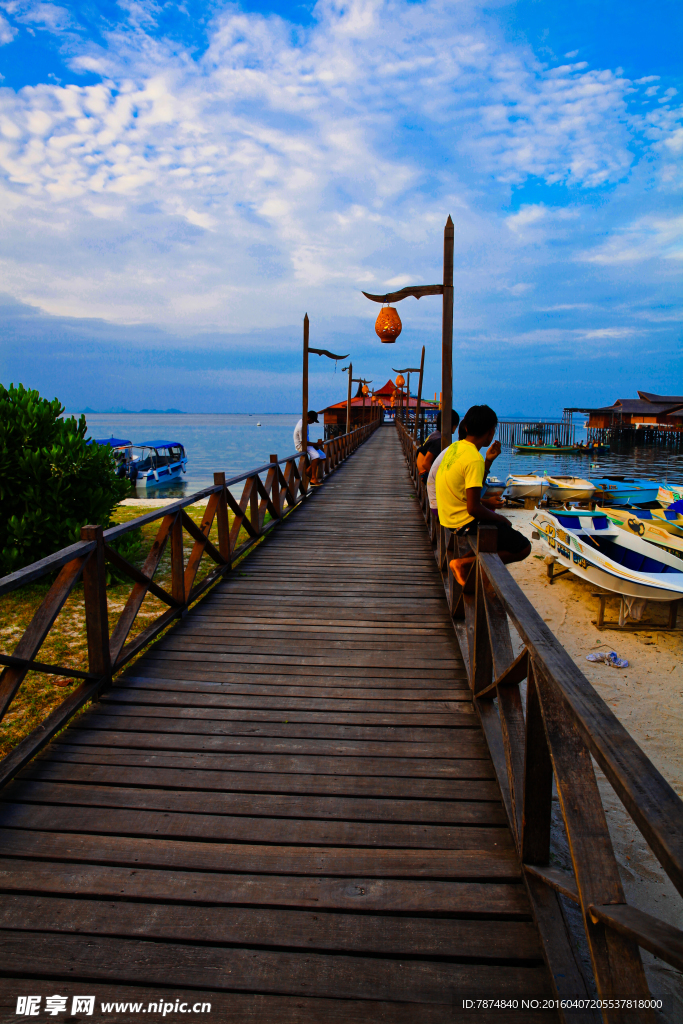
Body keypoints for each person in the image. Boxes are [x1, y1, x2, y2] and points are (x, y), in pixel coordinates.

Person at [435, 404, 530, 591]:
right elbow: (474, 508)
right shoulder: (473, 458)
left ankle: (467, 563)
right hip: (462, 520)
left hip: (447, 517)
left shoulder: (456, 448)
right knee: (523, 547)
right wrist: (500, 518)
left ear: (466, 427)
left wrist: (488, 461)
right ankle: (464, 564)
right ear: (490, 432)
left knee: (498, 535)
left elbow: (471, 491)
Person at [417, 410, 459, 484]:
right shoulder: (439, 441)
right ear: (452, 425)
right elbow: (426, 463)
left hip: (422, 473)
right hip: (425, 474)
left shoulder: (434, 435)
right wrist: (439, 479)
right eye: (456, 425)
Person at [294, 410, 326, 486]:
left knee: (322, 456)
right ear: (308, 418)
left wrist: (315, 444)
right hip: (301, 445)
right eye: (313, 420)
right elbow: (303, 442)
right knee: (316, 456)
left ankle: (308, 470)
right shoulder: (302, 426)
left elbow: (306, 440)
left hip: (306, 443)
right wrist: (317, 444)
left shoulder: (305, 423)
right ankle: (313, 479)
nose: (313, 422)